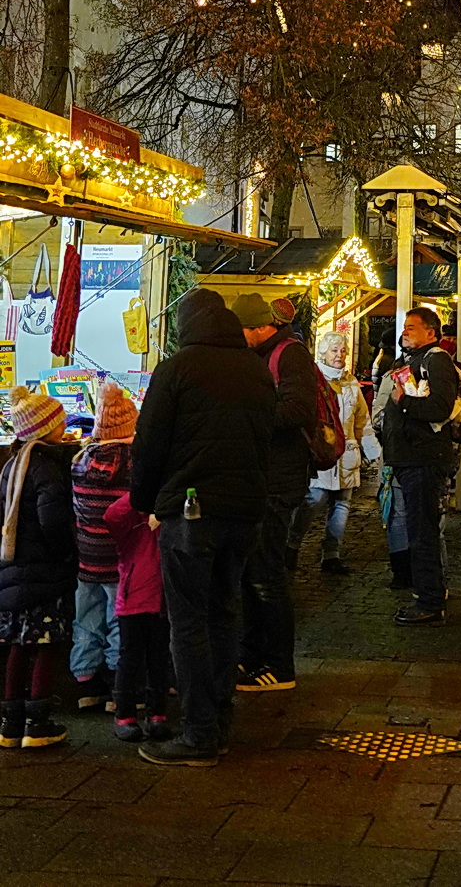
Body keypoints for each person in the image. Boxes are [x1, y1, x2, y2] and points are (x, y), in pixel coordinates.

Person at [130, 287, 275, 766]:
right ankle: (220, 721)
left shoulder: (178, 369)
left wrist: (145, 501)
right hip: (244, 512)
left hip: (191, 514)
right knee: (224, 613)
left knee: (188, 622)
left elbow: (149, 444)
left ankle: (198, 734)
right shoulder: (256, 370)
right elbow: (266, 442)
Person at [229, 294, 317, 692]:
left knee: (267, 573)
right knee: (253, 572)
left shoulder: (289, 354)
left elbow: (298, 410)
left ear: (262, 326)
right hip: (263, 477)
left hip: (278, 480)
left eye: (244, 329)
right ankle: (251, 654)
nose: (241, 336)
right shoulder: (263, 354)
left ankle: (279, 666)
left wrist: (247, 415)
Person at [0, 387, 76, 750]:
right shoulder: (47, 467)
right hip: (43, 573)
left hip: (13, 571)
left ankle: (10, 723)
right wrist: (66, 555)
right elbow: (54, 523)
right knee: (46, 644)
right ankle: (37, 722)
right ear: (45, 428)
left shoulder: (11, 466)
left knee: (16, 644)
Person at [376, 306, 460, 623]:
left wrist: (403, 402)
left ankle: (429, 602)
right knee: (419, 530)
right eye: (405, 327)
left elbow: (439, 407)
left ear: (431, 332)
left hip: (423, 460)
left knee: (423, 533)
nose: (405, 331)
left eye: (413, 326)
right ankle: (427, 595)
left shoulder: (436, 359)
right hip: (410, 458)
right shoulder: (414, 361)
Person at [288, 329, 380, 575]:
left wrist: (374, 452)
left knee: (342, 504)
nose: (339, 355)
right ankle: (291, 546)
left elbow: (362, 421)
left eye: (342, 351)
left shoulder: (351, 382)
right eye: (334, 350)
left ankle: (332, 554)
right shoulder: (314, 380)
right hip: (322, 452)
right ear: (323, 353)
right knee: (314, 500)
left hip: (346, 454)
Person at [70, 380, 138, 712]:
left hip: (87, 557)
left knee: (86, 619)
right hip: (120, 560)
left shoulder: (79, 462)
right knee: (117, 620)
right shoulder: (133, 465)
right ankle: (116, 686)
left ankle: (84, 685)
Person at [104, 491, 169, 743]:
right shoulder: (134, 520)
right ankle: (125, 715)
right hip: (134, 599)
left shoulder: (167, 520)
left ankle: (157, 714)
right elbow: (112, 516)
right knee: (130, 658)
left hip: (162, 600)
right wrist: (142, 492)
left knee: (159, 659)